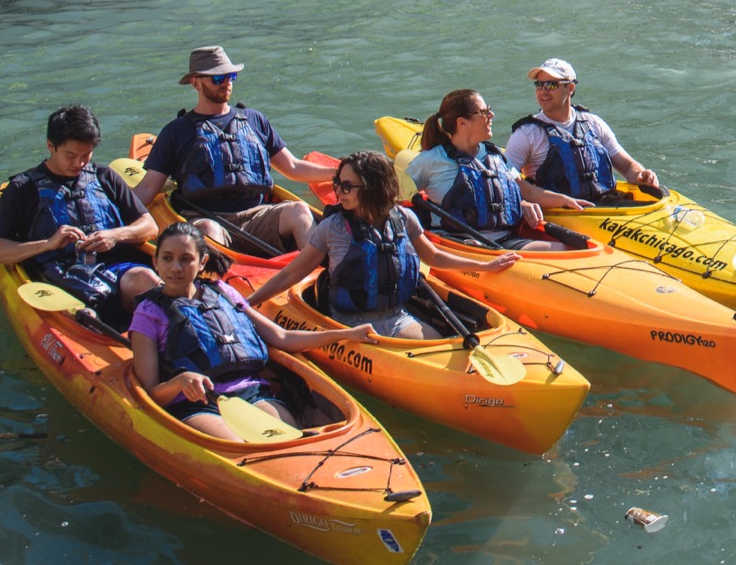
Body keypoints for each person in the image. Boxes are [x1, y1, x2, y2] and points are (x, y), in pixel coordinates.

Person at [131, 221, 374, 441]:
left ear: (202, 262)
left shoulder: (222, 292)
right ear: (156, 262)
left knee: (287, 438)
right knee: (235, 445)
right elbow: (150, 394)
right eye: (167, 258)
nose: (176, 267)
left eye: (186, 259)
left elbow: (281, 337)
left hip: (253, 393)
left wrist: (345, 334)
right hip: (197, 403)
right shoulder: (148, 312)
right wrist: (180, 382)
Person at [243, 151, 518, 338]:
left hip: (396, 317)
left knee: (440, 346)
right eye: (337, 183)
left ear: (374, 188)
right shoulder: (333, 228)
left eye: (347, 186)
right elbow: (293, 273)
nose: (338, 192)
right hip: (348, 323)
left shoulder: (404, 219)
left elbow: (434, 256)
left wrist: (486, 264)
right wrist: (250, 302)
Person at [133, 47, 339, 254]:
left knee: (299, 210)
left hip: (259, 215)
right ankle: (222, 280)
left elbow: (292, 167)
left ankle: (326, 273)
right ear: (196, 83)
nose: (226, 83)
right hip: (209, 217)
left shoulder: (255, 119)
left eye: (230, 76)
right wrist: (113, 216)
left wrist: (338, 174)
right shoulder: (176, 132)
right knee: (206, 230)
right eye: (217, 78)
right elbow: (148, 188)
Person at [0, 105, 162, 321]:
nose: (79, 163)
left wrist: (114, 235)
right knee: (89, 314)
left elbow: (150, 226)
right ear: (50, 146)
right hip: (57, 277)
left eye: (86, 155)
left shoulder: (105, 176)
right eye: (70, 155)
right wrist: (48, 244)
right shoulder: (22, 189)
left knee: (147, 279)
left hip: (114, 268)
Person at [406, 90, 586, 251]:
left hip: (504, 242)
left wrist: (565, 200)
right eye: (484, 112)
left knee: (563, 248)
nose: (491, 115)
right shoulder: (430, 161)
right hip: (458, 244)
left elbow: (528, 191)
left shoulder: (495, 156)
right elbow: (395, 200)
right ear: (462, 123)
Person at [504, 59, 663, 203]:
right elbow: (506, 179)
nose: (543, 91)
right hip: (562, 215)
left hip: (605, 205)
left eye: (551, 85)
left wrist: (641, 174)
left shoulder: (594, 124)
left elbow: (628, 167)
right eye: (539, 85)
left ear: (570, 88)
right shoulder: (526, 134)